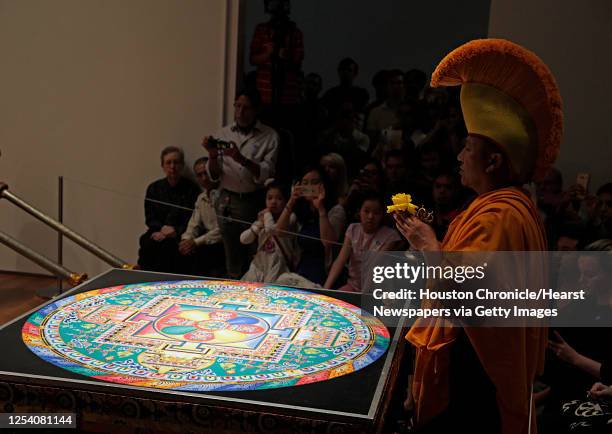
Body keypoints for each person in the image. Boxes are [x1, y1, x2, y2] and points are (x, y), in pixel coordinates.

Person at [393, 39, 563, 433]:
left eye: (468, 147)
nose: (458, 156)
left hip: (473, 371)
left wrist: (426, 244)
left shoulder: (502, 214)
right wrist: (430, 237)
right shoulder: (502, 206)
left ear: (493, 160)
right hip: (474, 362)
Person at [202, 88, 279, 279]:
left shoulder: (269, 136)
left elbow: (266, 172)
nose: (240, 112)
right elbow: (213, 176)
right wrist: (212, 155)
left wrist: (240, 158)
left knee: (255, 252)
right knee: (231, 253)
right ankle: (232, 289)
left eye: (246, 108)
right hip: (227, 199)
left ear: (256, 110)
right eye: (238, 106)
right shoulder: (223, 133)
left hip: (254, 199)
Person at [276, 167, 346, 285]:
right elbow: (279, 232)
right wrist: (291, 201)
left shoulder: (336, 210)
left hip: (324, 272)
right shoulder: (301, 211)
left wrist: (320, 208)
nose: (309, 187)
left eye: (314, 183)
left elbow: (328, 242)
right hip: (301, 269)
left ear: (323, 185)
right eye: (305, 183)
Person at [138, 146, 200, 273]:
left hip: (181, 234)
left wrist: (176, 231)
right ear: (162, 165)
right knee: (146, 243)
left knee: (171, 248)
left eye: (176, 162)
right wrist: (161, 230)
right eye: (168, 162)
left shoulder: (192, 189)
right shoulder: (153, 188)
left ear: (182, 165)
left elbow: (194, 219)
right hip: (158, 231)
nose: (172, 166)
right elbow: (150, 217)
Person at [324, 194, 401, 292]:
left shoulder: (390, 236)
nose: (370, 216)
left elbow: (375, 268)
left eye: (376, 213)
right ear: (359, 212)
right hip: (353, 286)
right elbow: (340, 261)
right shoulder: (353, 229)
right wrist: (325, 289)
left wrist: (362, 297)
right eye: (366, 211)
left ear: (382, 215)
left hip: (377, 291)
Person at [240, 181, 297, 283]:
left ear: (286, 201)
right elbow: (244, 239)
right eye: (269, 198)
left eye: (279, 198)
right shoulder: (263, 217)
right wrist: (257, 225)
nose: (273, 202)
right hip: (260, 263)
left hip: (278, 265)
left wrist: (266, 214)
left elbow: (271, 230)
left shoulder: (290, 217)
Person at [178, 157, 225, 277]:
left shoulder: (225, 195)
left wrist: (195, 242)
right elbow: (194, 223)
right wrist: (186, 240)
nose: (204, 178)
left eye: (206, 173)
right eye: (199, 175)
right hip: (206, 243)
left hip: (223, 243)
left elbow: (222, 230)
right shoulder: (201, 198)